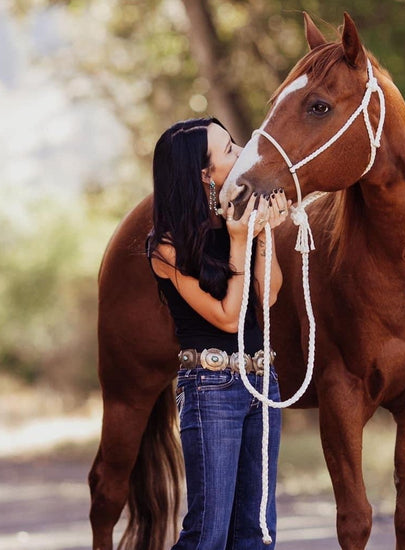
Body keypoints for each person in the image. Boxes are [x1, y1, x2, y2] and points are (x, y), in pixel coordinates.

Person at [147, 117, 290, 548]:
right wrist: (240, 238)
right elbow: (229, 317)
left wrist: (262, 234)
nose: (243, 151)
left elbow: (268, 297)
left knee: (257, 533)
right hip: (211, 388)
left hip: (262, 383)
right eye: (229, 150)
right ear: (203, 176)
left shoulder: (238, 222)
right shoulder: (166, 248)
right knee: (207, 534)